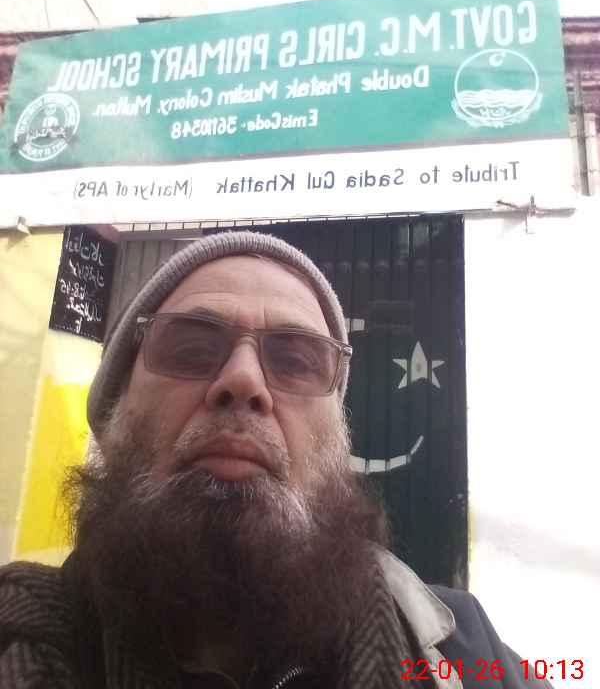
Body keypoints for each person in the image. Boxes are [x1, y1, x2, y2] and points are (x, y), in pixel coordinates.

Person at [0, 230, 546, 689]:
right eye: (191, 350)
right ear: (114, 414)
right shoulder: (18, 636)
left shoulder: (468, 652)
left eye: (296, 362)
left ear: (336, 440)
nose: (243, 381)